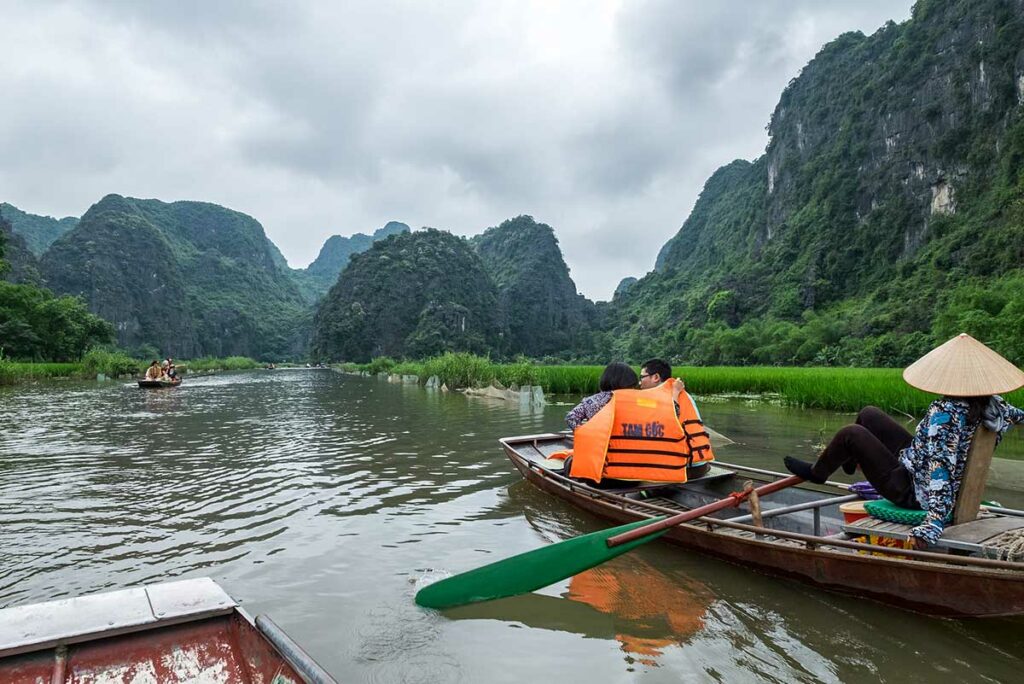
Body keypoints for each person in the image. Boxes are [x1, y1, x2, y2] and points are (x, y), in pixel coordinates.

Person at [783, 333, 1024, 548]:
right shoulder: (995, 405)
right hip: (920, 468)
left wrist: (933, 524)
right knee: (869, 415)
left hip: (913, 492)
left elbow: (941, 469)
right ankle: (848, 457)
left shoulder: (944, 415)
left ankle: (819, 472)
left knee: (851, 433)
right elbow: (1019, 416)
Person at [565, 362, 640, 429]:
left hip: (599, 441)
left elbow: (571, 417)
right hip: (627, 441)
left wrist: (583, 432)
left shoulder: (590, 401)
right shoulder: (635, 399)